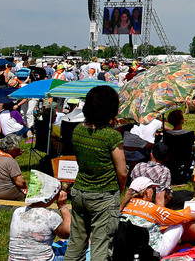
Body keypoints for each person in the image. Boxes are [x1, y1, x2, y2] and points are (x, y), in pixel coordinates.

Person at [64, 85, 127, 261]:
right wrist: (120, 188)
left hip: (79, 192)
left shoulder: (78, 131)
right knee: (101, 245)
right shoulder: (111, 136)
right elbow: (122, 172)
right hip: (103, 195)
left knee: (76, 243)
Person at [121, 177, 195, 258]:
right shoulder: (151, 208)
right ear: (146, 191)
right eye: (152, 189)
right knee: (183, 219)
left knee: (179, 218)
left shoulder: (128, 207)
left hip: (134, 248)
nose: (153, 192)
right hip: (155, 250)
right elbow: (178, 217)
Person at [8, 170, 71, 261]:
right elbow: (68, 232)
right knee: (79, 254)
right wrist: (63, 206)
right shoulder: (50, 216)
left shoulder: (17, 212)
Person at [128, 142, 173, 208]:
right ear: (166, 158)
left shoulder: (138, 166)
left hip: (136, 202)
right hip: (152, 204)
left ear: (151, 154)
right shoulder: (164, 171)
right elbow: (159, 198)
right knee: (185, 195)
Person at [0, 134, 27, 201]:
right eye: (17, 148)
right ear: (12, 148)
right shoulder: (11, 162)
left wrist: (14, 155)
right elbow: (20, 183)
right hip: (4, 194)